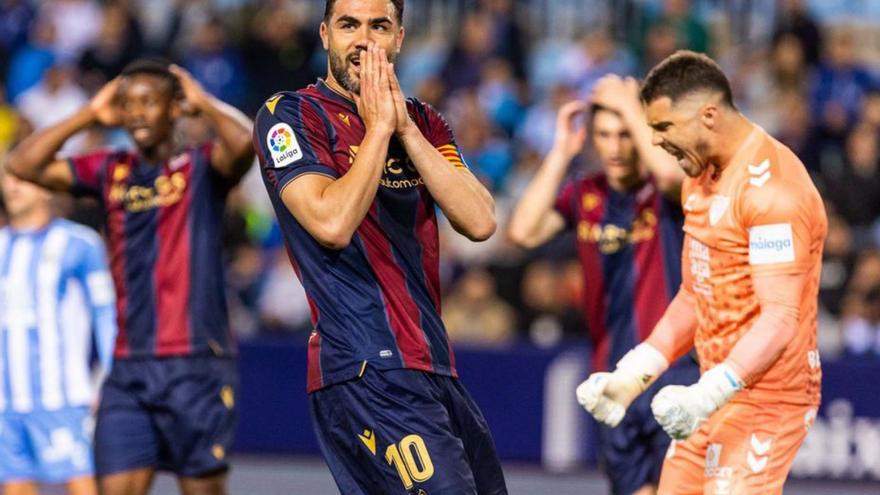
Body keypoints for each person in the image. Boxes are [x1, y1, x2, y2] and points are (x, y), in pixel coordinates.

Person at [253, 1, 507, 494]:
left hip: (434, 364)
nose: (364, 40)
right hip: (364, 368)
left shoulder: (424, 122)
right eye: (349, 25)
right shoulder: (289, 114)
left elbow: (480, 221)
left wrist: (405, 129)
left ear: (400, 39)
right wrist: (379, 130)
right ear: (325, 34)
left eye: (379, 26)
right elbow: (330, 222)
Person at [577, 50, 827, 495]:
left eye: (663, 127)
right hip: (710, 391)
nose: (654, 142)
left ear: (708, 116)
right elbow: (696, 295)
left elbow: (780, 318)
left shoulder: (774, 191)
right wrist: (632, 375)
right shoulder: (698, 177)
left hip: (767, 398)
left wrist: (707, 393)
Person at [6, 59, 255, 495]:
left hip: (194, 362)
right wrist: (88, 114)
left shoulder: (200, 167)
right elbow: (24, 164)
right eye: (127, 104)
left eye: (148, 102)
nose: (135, 113)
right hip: (127, 369)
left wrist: (203, 102)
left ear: (174, 108)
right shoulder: (110, 169)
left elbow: (245, 141)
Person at [508, 74, 698, 495]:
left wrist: (633, 106)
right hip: (611, 376)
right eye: (604, 135)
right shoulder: (584, 194)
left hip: (676, 373)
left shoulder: (664, 191)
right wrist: (561, 152)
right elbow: (522, 231)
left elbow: (669, 174)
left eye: (625, 135)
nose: (614, 148)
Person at [0, 169, 115, 495]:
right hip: (6, 403)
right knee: (15, 486)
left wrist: (109, 380)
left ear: (47, 188)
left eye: (22, 178)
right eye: (8, 179)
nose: (13, 187)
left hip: (62, 398)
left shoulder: (80, 245)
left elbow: (107, 316)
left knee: (82, 483)